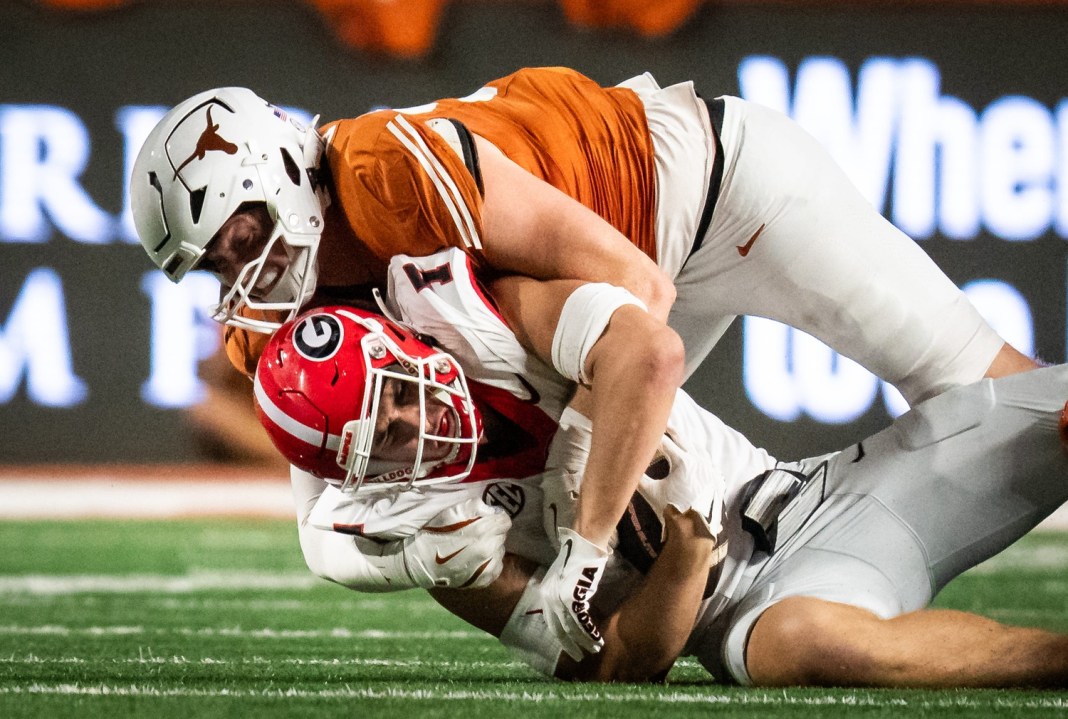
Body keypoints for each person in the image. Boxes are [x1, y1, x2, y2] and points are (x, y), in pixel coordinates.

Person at [129, 70, 1039, 655]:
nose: (240, 267)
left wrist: (579, 519)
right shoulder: (269, 322)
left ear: (278, 165)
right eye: (212, 260)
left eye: (240, 231)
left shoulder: (382, 172)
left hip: (706, 195)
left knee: (993, 392)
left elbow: (635, 285)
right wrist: (400, 552)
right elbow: (324, 519)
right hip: (627, 289)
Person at [253, 251, 1068, 686]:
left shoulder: (491, 324)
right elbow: (610, 663)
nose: (414, 423)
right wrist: (686, 562)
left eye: (396, 395)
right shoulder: (438, 538)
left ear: (408, 346)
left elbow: (647, 348)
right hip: (752, 608)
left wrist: (585, 496)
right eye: (383, 441)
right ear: (364, 477)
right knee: (807, 644)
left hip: (823, 490)